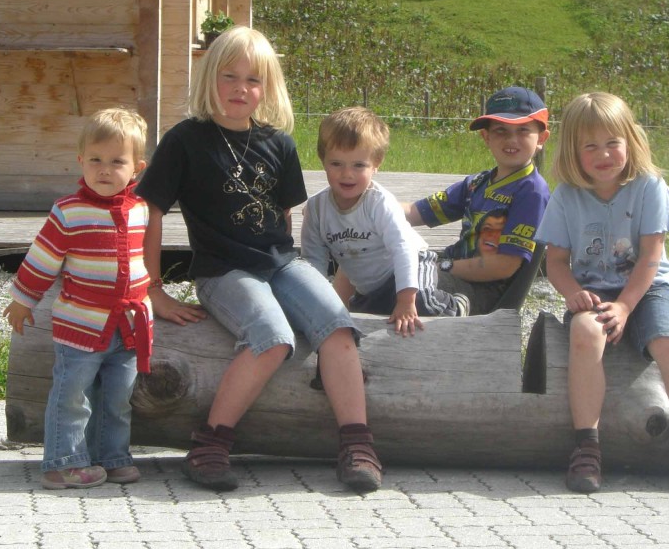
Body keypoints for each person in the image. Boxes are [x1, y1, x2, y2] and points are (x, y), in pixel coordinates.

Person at [135, 26, 381, 493]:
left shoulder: (280, 144)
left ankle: (357, 443)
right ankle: (210, 442)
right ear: (210, 77)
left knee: (338, 323)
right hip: (222, 270)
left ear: (267, 87)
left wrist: (298, 283)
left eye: (253, 80)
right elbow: (149, 212)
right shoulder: (185, 140)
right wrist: (153, 289)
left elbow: (284, 219)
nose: (240, 89)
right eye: (230, 76)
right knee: (271, 335)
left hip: (280, 264)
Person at [536, 91, 669, 495]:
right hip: (595, 290)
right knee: (584, 334)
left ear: (630, 141)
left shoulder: (649, 187)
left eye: (612, 143)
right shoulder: (566, 196)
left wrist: (626, 305)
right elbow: (555, 262)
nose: (604, 154)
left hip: (650, 286)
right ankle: (587, 446)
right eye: (591, 146)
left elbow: (651, 257)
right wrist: (572, 294)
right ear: (573, 152)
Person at [3, 107, 153, 490]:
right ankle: (62, 462)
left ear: (136, 168)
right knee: (72, 395)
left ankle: (112, 456)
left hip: (128, 327)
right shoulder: (69, 212)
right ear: (80, 161)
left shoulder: (140, 211)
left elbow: (141, 264)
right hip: (81, 326)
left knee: (118, 398)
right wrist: (23, 301)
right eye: (95, 160)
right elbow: (42, 259)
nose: (105, 169)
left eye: (116, 162)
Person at [301, 107, 469, 338]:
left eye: (358, 165)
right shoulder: (316, 209)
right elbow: (313, 261)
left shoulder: (379, 203)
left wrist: (406, 299)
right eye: (336, 164)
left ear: (376, 163)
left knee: (421, 303)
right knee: (362, 322)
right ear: (323, 160)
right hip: (370, 285)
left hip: (412, 260)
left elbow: (403, 249)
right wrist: (315, 303)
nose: (347, 174)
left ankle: (456, 305)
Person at [403, 86, 551, 316]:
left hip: (483, 291)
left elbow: (505, 265)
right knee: (384, 270)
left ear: (541, 138)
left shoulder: (532, 191)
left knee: (409, 290)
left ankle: (454, 308)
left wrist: (444, 266)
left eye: (523, 130)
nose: (511, 139)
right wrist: (373, 204)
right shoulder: (477, 183)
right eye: (501, 130)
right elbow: (416, 212)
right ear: (486, 137)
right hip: (453, 271)